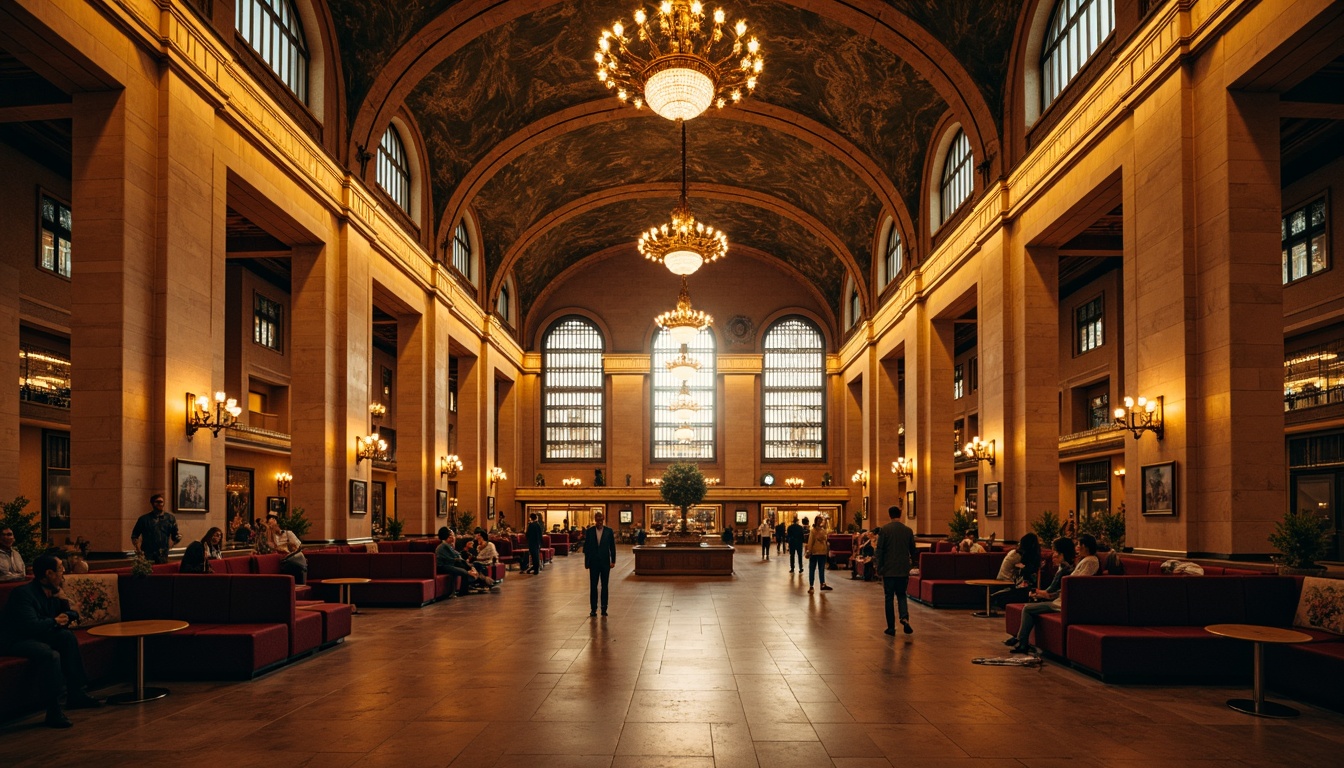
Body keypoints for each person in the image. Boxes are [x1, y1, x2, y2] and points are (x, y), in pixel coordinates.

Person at [0, 554, 102, 727]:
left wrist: (63, 605)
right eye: (60, 569)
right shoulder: (23, 594)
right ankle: (53, 709)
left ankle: (76, 693)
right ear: (49, 573)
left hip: (39, 634)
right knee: (50, 655)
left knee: (67, 638)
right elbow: (30, 626)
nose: (63, 574)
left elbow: (68, 618)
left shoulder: (55, 592)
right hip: (16, 640)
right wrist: (55, 621)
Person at [1008, 535, 1099, 653]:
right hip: (1062, 599)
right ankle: (1021, 641)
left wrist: (1052, 595)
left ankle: (1021, 642)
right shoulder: (1085, 560)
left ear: (1085, 546)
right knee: (1029, 606)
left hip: (1064, 603)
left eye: (1078, 545)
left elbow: (1077, 582)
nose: (1076, 548)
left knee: (1028, 608)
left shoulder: (1090, 561)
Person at [876, 505, 918, 635]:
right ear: (900, 515)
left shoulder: (885, 530)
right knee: (901, 595)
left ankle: (891, 627)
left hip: (889, 569)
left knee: (889, 597)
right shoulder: (908, 530)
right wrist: (914, 564)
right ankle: (904, 618)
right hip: (902, 569)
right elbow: (913, 550)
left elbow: (880, 550)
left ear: (889, 515)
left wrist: (879, 567)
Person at [991, 532, 1041, 608]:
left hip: (1003, 581)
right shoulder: (1017, 556)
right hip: (1006, 583)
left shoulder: (1014, 552)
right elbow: (1029, 570)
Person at [130, 493, 181, 564]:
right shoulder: (144, 519)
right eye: (158, 502)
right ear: (153, 503)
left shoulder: (170, 518)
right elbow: (135, 536)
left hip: (163, 553)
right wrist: (138, 551)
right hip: (147, 552)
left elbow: (175, 535)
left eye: (162, 502)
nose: (160, 504)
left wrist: (176, 540)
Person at [584, 510, 617, 617]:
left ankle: (604, 608)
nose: (599, 522)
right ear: (595, 520)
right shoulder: (589, 532)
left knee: (605, 586)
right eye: (597, 520)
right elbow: (587, 548)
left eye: (601, 520)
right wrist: (586, 562)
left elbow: (612, 547)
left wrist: (613, 561)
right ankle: (593, 609)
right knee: (593, 586)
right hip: (593, 562)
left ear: (603, 519)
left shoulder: (609, 531)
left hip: (605, 562)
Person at [434, 528, 475, 597]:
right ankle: (463, 592)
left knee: (464, 568)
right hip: (442, 566)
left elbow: (457, 555)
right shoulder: (444, 545)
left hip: (447, 565)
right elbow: (456, 556)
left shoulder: (446, 545)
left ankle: (462, 590)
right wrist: (454, 544)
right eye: (451, 536)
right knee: (464, 572)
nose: (453, 537)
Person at [268, 518, 307, 585]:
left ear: (278, 525)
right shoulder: (271, 537)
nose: (272, 527)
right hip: (280, 561)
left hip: (291, 559)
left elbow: (297, 546)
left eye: (274, 525)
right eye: (270, 525)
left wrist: (290, 549)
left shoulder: (288, 533)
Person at [806, 515, 832, 593]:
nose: (821, 522)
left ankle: (812, 586)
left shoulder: (814, 531)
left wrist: (809, 551)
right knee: (820, 569)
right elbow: (813, 542)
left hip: (816, 552)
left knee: (813, 569)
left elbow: (810, 542)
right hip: (820, 552)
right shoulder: (822, 531)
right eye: (820, 520)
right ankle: (820, 584)